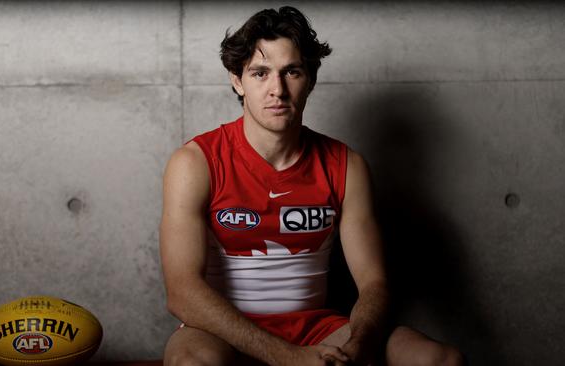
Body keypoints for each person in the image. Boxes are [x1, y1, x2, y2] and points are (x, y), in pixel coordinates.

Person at [160, 6, 464, 366]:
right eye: (260, 73)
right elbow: (181, 292)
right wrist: (287, 357)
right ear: (237, 80)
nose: (277, 89)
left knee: (440, 359)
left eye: (292, 71)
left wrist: (359, 343)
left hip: (315, 327)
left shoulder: (346, 166)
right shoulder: (195, 163)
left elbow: (374, 283)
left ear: (311, 79)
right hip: (221, 331)